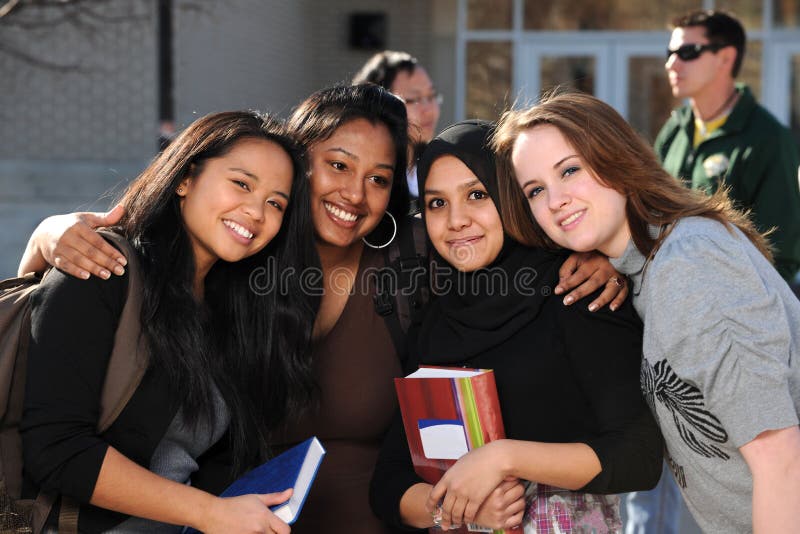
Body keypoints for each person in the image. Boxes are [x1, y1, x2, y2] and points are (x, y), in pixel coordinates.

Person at [18, 85, 629, 533]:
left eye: (380, 178)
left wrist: (597, 259)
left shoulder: (409, 273)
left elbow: (492, 241)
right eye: (337, 165)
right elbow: (82, 323)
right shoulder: (239, 267)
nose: (354, 193)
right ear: (301, 161)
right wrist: (51, 234)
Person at [493, 91, 800, 533]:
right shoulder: (649, 268)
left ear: (616, 158)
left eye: (570, 170)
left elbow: (780, 457)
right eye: (536, 190)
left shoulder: (689, 262)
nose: (555, 199)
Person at [20, 111, 319, 533]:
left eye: (275, 203)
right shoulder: (105, 270)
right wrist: (208, 513)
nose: (255, 211)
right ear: (185, 179)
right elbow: (56, 448)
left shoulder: (232, 310)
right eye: (242, 183)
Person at [369, 120, 663, 532]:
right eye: (437, 203)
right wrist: (456, 508)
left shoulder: (577, 292)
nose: (456, 220)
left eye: (476, 195)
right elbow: (389, 482)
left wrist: (502, 459)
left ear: (511, 199)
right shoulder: (436, 322)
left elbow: (639, 457)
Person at [656, 9, 800, 282]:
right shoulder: (674, 130)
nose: (671, 64)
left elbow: (781, 255)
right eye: (670, 53)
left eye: (688, 52)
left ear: (726, 57)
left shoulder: (768, 139)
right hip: (669, 294)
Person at [352, 50, 442, 202]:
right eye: (414, 99)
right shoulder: (370, 182)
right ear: (381, 105)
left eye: (431, 96)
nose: (430, 109)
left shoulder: (437, 169)